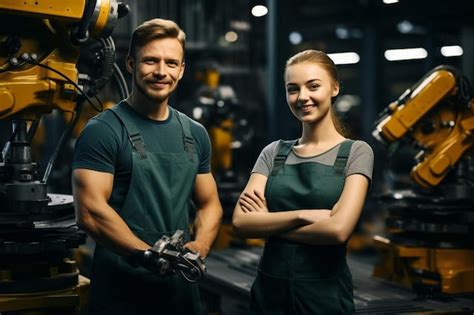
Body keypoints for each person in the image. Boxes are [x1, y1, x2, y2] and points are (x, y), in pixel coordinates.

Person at [72, 18, 223, 314]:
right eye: (150, 61)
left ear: (181, 70)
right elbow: (90, 211)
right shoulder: (103, 130)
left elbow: (210, 203)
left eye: (171, 63)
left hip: (180, 292)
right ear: (130, 63)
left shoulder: (195, 133)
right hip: (122, 291)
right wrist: (145, 255)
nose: (160, 72)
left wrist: (200, 246)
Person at [232, 49, 374, 314]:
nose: (302, 97)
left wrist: (268, 224)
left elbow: (338, 231)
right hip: (269, 297)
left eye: (313, 86)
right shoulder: (273, 152)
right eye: (293, 89)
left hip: (325, 300)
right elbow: (241, 222)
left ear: (334, 87)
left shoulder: (357, 152)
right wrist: (303, 216)